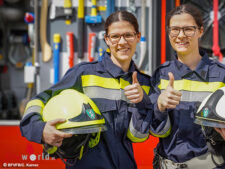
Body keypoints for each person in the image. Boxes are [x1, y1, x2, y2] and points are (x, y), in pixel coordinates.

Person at [20, 11, 153, 169]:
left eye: (128, 35)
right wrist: (41, 130)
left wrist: (143, 101)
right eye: (115, 36)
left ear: (138, 37)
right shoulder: (83, 74)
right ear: (107, 40)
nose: (122, 42)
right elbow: (38, 101)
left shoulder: (144, 84)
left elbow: (140, 135)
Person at [150, 4, 225, 169]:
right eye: (174, 29)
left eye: (188, 29)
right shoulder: (160, 76)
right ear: (169, 33)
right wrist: (159, 106)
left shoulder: (224, 77)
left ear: (201, 31)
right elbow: (152, 130)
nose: (181, 35)